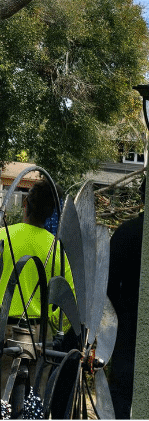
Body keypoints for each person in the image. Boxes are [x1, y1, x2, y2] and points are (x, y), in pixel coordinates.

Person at [0, 179, 73, 418]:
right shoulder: (56, 249)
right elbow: (68, 302)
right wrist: (51, 326)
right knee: (34, 407)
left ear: (25, 203)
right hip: (41, 340)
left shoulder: (4, 236)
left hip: (2, 334)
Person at [106, 176, 145, 419]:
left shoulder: (125, 234)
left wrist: (121, 314)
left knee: (119, 401)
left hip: (125, 333)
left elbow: (107, 288)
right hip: (127, 331)